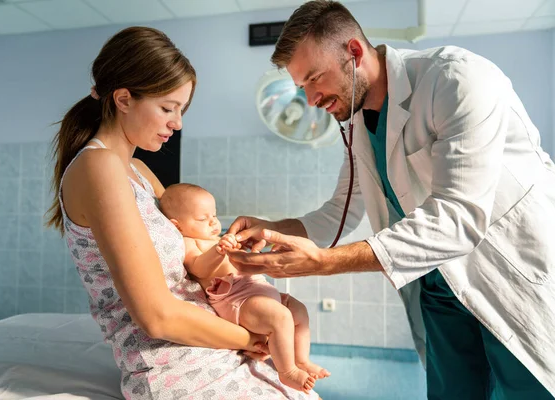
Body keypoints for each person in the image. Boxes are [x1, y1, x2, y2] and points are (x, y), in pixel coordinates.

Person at [226, 1, 555, 399]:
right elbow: (336, 214)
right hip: (439, 292)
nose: (311, 99)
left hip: (507, 276)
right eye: (303, 87)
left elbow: (458, 218)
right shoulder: (360, 123)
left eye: (315, 79)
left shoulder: (457, 79)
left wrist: (324, 264)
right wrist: (270, 229)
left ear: (354, 52)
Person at [46, 26, 319, 400]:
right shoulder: (100, 168)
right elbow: (156, 317)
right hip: (177, 365)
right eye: (167, 108)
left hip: (213, 343)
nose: (178, 123)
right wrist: (252, 337)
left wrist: (236, 251)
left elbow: (190, 244)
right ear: (124, 99)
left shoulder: (138, 173)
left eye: (181, 109)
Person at [159, 183, 329, 393]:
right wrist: (219, 251)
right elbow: (199, 268)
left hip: (256, 288)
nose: (213, 222)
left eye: (214, 215)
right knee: (281, 318)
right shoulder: (190, 242)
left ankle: (301, 360)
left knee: (299, 310)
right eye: (203, 219)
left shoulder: (214, 237)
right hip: (237, 299)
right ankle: (287, 372)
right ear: (177, 226)